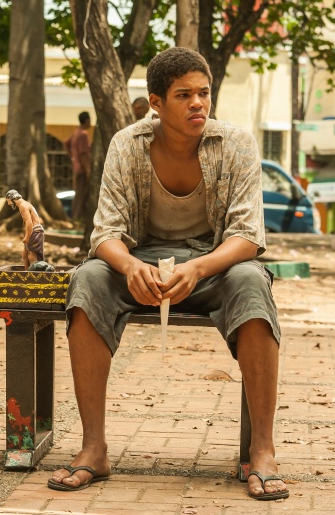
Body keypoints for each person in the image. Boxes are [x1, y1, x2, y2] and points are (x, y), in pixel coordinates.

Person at [42, 47, 288, 501]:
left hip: (213, 263)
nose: (197, 103)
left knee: (252, 283)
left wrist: (198, 267)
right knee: (88, 279)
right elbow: (106, 233)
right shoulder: (127, 144)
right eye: (183, 95)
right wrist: (130, 265)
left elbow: (248, 236)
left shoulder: (236, 143)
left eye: (203, 93)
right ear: (156, 102)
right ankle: (94, 448)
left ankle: (263, 450)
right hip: (143, 262)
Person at [64, 112, 92, 219]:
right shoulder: (83, 134)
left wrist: (73, 158)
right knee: (82, 194)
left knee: (78, 193)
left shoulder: (76, 132)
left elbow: (66, 143)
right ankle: (78, 217)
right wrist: (88, 170)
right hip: (82, 169)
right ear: (87, 120)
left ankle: (77, 216)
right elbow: (83, 154)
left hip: (77, 167)